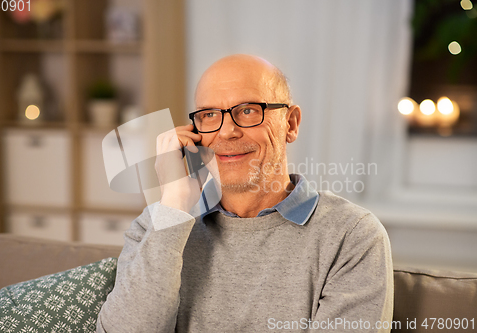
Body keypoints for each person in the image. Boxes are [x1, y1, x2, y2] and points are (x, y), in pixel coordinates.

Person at [97, 54, 394, 332]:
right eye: (210, 115)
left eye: (248, 110)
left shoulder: (353, 236)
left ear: (290, 124)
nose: (226, 132)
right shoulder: (158, 225)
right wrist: (173, 206)